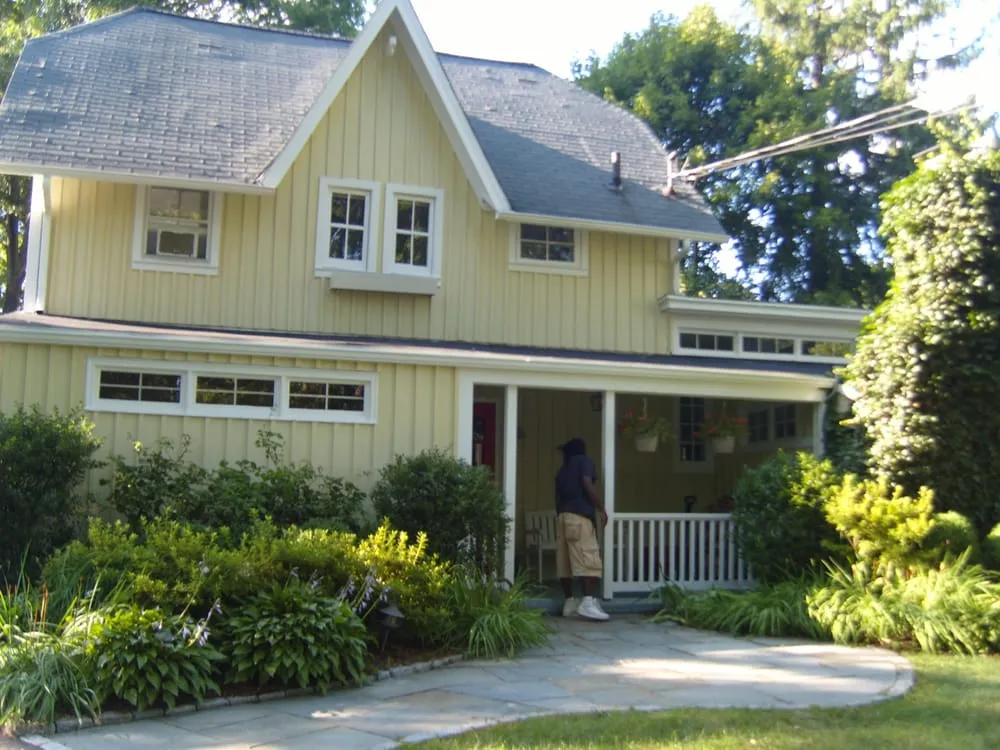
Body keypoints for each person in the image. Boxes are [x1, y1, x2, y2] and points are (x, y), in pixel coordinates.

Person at [554, 438, 609, 621]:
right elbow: (586, 482)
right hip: (579, 517)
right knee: (588, 557)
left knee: (565, 562)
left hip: (562, 517)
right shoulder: (584, 461)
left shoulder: (562, 470)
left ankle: (569, 603)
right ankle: (587, 601)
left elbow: (557, 498)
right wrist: (601, 508)